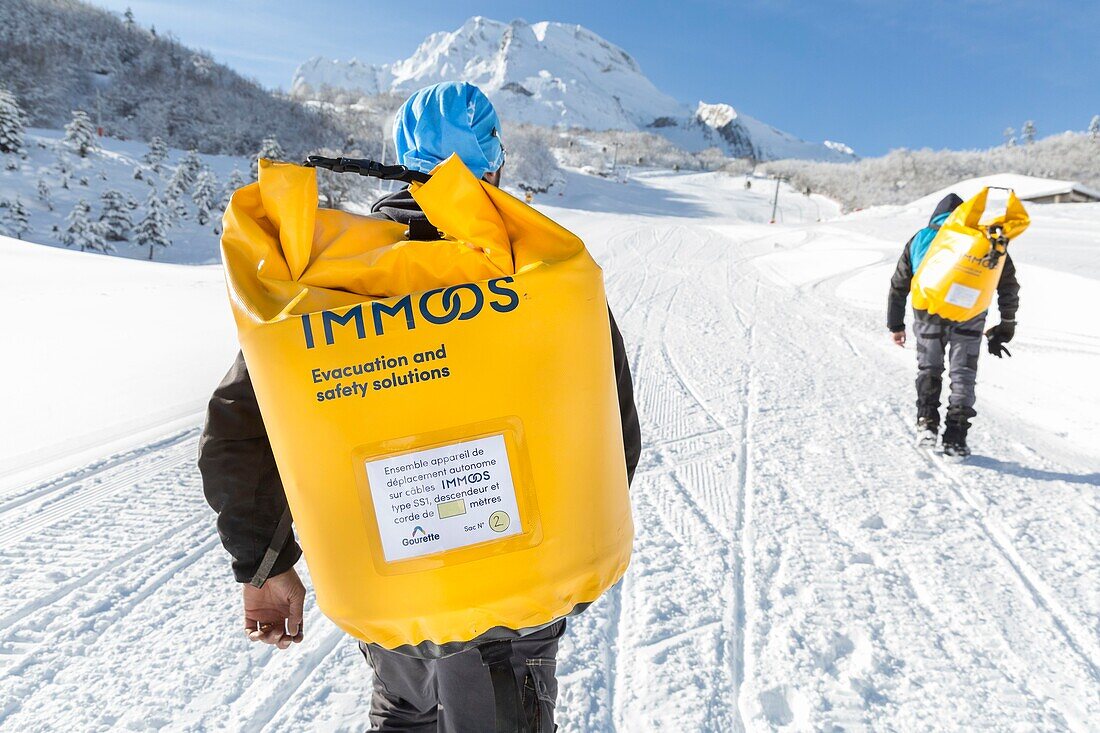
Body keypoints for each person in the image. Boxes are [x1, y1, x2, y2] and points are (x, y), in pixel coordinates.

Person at [199, 81, 642, 732]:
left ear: (400, 156)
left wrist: (266, 566)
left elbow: (241, 428)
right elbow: (613, 433)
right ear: (491, 165)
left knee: (405, 710)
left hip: (394, 587)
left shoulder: (331, 279)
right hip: (518, 591)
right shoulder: (541, 277)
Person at [887, 193, 1019, 458]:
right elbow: (1008, 285)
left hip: (928, 313)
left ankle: (927, 424)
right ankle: (956, 438)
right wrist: (1007, 322)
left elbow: (899, 284)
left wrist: (896, 325)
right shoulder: (984, 241)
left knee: (929, 368)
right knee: (963, 375)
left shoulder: (921, 237)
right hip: (970, 315)